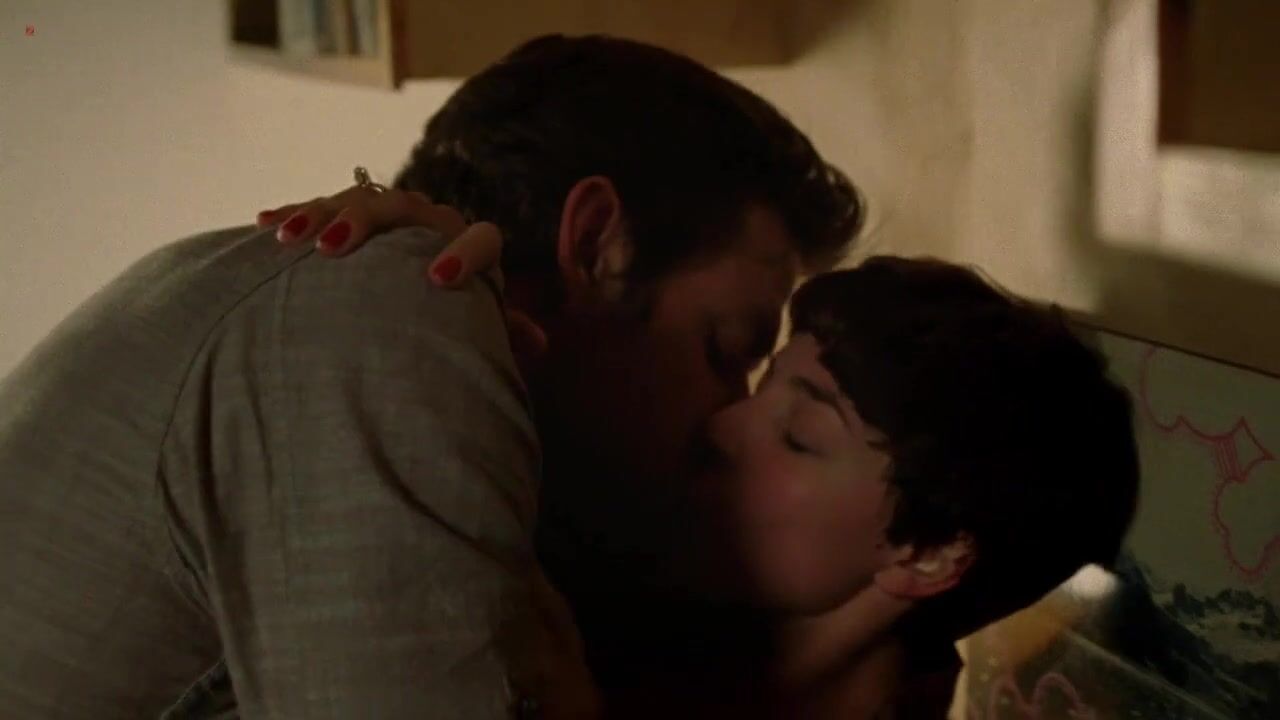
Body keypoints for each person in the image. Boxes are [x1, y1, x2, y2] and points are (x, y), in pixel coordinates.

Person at [0, 35, 859, 719]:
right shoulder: (390, 313)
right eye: (726, 349)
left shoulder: (397, 341)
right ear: (600, 241)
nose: (726, 418)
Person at [261, 193, 1142, 718]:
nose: (724, 427)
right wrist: (404, 271)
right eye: (759, 386)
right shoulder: (595, 595)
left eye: (799, 436)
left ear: (929, 552)